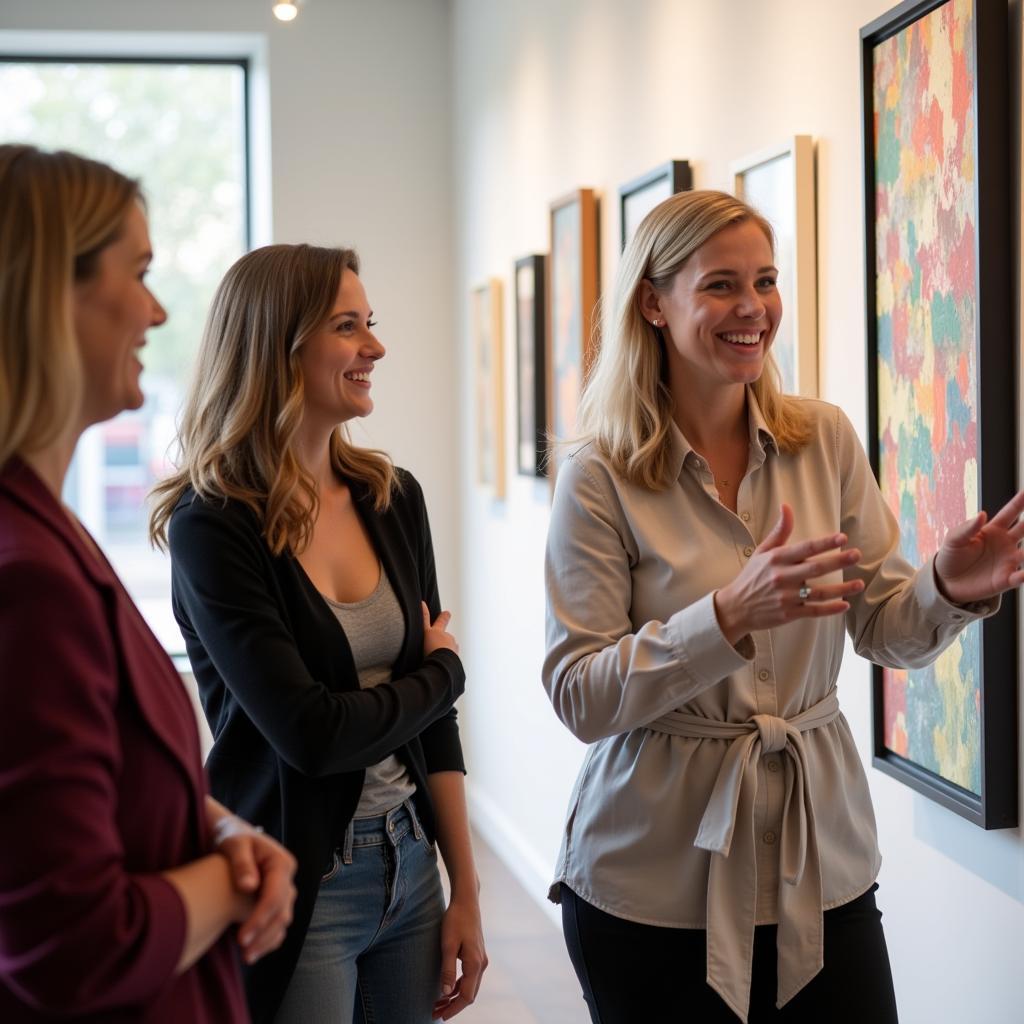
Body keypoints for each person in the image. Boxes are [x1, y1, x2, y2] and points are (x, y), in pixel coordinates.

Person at [542, 188, 1024, 1024]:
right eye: (721, 285)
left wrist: (945, 588)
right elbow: (579, 693)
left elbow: (883, 628)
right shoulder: (600, 475)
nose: (753, 309)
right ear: (653, 303)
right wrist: (725, 617)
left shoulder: (823, 439)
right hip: (651, 886)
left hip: (820, 864)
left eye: (764, 281)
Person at [149, 243, 487, 1024]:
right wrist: (442, 675)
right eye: (347, 327)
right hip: (301, 881)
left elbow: (435, 731)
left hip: (411, 866)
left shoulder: (393, 497)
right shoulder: (214, 525)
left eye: (370, 324)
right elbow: (311, 735)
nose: (375, 347)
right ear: (279, 345)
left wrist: (463, 890)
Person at [0, 144, 297, 1023]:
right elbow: (72, 945)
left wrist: (219, 831)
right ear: (49, 297)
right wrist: (226, 882)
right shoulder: (30, 579)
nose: (159, 310)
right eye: (138, 272)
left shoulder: (47, 528)